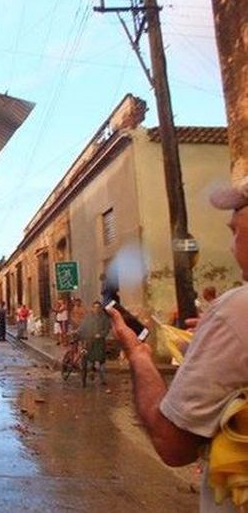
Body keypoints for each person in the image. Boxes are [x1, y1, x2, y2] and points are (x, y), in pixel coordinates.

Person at [108, 181, 248, 512]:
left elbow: (171, 444)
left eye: (236, 231)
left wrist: (138, 354)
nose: (231, 247)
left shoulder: (237, 310)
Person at [78, 301, 111, 385]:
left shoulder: (104, 318)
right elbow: (82, 326)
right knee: (90, 359)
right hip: (90, 341)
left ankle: (102, 379)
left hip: (100, 342)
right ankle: (91, 371)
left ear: (100, 308)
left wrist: (100, 334)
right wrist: (79, 332)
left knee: (101, 361)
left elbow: (107, 329)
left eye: (98, 307)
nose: (96, 309)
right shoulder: (88, 317)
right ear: (92, 308)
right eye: (95, 307)